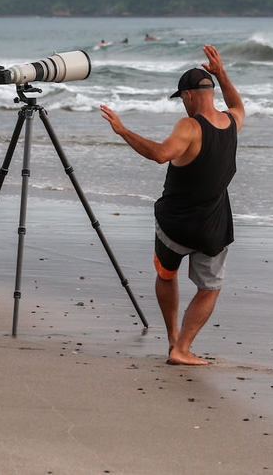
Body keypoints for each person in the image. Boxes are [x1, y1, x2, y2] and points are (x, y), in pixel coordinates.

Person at [100, 45, 244, 365]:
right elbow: (236, 103)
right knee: (209, 288)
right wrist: (221, 74)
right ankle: (183, 348)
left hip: (174, 224)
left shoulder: (189, 126)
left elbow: (160, 154)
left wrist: (123, 130)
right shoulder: (233, 121)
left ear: (189, 96)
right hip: (213, 226)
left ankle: (172, 341)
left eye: (181, 99)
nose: (183, 105)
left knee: (166, 274)